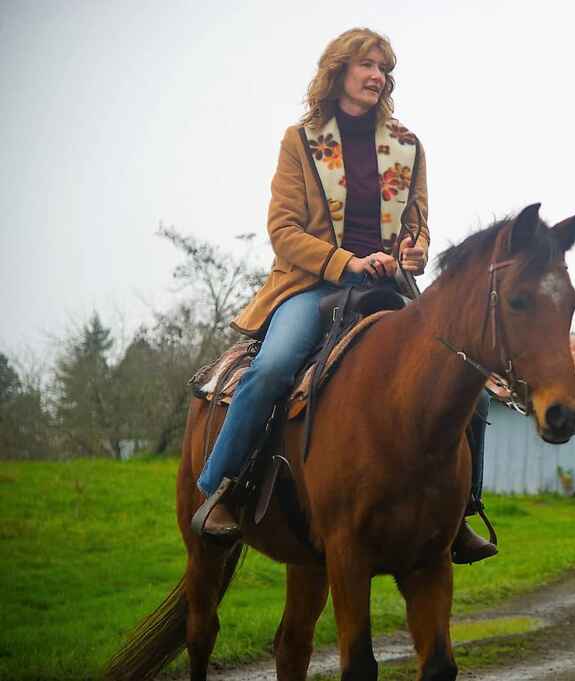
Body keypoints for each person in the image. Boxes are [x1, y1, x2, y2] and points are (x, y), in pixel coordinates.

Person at [193, 27, 497, 564]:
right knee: (274, 367)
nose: (378, 77)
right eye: (368, 66)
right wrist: (348, 263)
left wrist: (414, 254)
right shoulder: (301, 140)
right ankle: (219, 489)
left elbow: (419, 226)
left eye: (385, 70)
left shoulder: (407, 146)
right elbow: (283, 230)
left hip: (388, 288)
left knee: (467, 370)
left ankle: (461, 512)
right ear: (338, 71)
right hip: (311, 286)